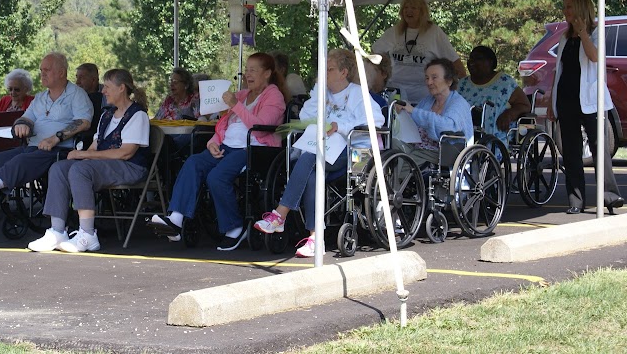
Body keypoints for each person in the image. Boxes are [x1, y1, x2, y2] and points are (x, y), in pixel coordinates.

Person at [150, 52, 289, 251]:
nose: (247, 75)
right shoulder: (241, 95)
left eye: (253, 70)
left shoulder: (273, 95)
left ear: (267, 73)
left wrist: (236, 105)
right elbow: (222, 124)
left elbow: (260, 126)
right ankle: (176, 219)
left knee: (217, 177)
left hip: (254, 148)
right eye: (246, 70)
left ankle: (234, 227)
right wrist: (213, 142)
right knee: (193, 162)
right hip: (227, 146)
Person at [254, 49, 385, 257]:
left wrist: (339, 125)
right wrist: (319, 100)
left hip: (357, 152)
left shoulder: (358, 93)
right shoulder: (321, 92)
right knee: (312, 170)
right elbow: (305, 114)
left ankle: (280, 215)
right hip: (326, 150)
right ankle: (316, 238)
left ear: (343, 72)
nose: (324, 73)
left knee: (309, 157)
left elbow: (377, 121)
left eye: (329, 69)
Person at [0, 52, 94, 225]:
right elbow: (26, 117)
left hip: (60, 150)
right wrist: (22, 124)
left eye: (47, 70)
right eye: (41, 70)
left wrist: (56, 138)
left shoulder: (77, 94)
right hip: (35, 147)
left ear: (61, 72)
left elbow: (83, 122)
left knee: (20, 160)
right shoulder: (41, 98)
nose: (42, 74)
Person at [27, 69, 150, 253]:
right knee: (59, 168)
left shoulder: (137, 115)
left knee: (81, 170)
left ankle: (88, 234)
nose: (103, 91)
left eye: (107, 87)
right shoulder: (107, 115)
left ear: (121, 88)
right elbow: (95, 145)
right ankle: (57, 231)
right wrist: (82, 154)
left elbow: (125, 153)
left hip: (131, 167)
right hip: (107, 165)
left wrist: (85, 156)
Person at [548, 0, 624, 215]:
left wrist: (583, 34)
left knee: (599, 147)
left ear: (581, 8)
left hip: (591, 100)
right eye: (564, 7)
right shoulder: (563, 37)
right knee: (571, 151)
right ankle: (576, 200)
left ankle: (609, 196)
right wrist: (553, 101)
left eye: (569, 7)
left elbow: (594, 57)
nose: (565, 11)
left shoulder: (596, 32)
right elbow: (558, 71)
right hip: (566, 99)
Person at [372, 0, 466, 104]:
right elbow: (373, 55)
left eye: (413, 7)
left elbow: (458, 68)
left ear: (422, 11)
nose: (408, 11)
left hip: (425, 98)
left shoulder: (434, 32)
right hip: (396, 94)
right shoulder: (394, 31)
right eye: (406, 7)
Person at [393, 58, 473, 168]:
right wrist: (403, 111)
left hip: (444, 153)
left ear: (449, 81)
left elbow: (447, 126)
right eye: (427, 78)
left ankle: (394, 183)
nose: (429, 82)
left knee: (403, 164)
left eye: (434, 78)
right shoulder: (428, 100)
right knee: (392, 147)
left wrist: (413, 111)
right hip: (418, 148)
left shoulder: (458, 103)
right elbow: (413, 121)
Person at [457, 46, 530, 145]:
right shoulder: (462, 84)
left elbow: (525, 105)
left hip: (495, 136)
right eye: (470, 59)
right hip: (463, 133)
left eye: (478, 58)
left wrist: (509, 114)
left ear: (490, 62)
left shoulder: (505, 82)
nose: (471, 62)